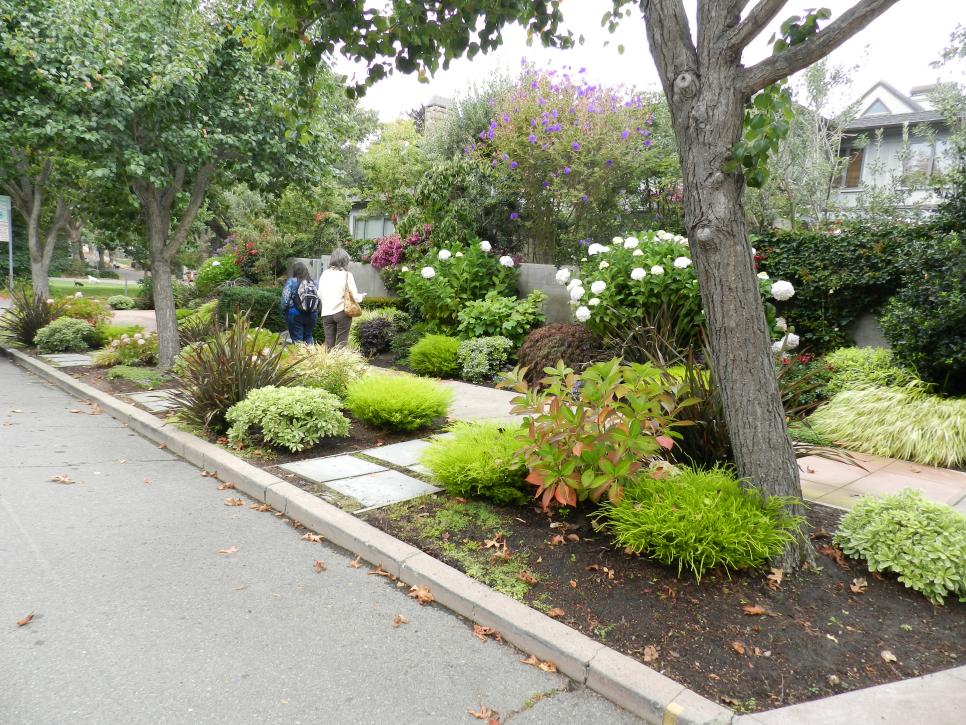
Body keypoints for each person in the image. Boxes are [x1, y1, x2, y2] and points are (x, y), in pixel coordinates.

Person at [319, 248, 365, 350]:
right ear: (344, 260)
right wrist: (361, 297)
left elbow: (320, 293)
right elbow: (354, 296)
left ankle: (327, 364)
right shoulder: (347, 274)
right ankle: (339, 364)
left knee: (329, 344)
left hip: (326, 313)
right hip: (341, 312)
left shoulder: (325, 274)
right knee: (341, 342)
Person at [280, 261, 320, 344]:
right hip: (312, 314)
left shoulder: (292, 281)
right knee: (308, 336)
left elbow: (285, 301)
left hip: (295, 314)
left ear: (294, 271)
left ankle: (300, 357)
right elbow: (319, 300)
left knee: (298, 339)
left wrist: (285, 313)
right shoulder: (314, 282)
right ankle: (311, 356)